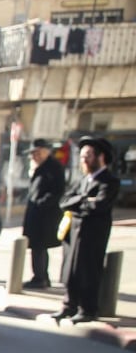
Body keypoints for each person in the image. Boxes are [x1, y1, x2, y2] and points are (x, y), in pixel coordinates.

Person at [56, 135, 118, 324]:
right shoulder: (83, 180)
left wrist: (81, 202)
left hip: (93, 235)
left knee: (88, 271)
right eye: (82, 156)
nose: (84, 160)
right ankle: (69, 306)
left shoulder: (109, 181)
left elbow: (99, 205)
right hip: (73, 233)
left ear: (100, 157)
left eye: (88, 156)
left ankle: (88, 309)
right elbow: (64, 202)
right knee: (71, 270)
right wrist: (83, 200)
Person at [21, 138, 66, 289]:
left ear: (46, 152)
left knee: (39, 246)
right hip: (37, 213)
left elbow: (57, 191)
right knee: (37, 247)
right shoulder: (40, 167)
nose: (35, 156)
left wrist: (41, 204)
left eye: (38, 153)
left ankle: (40, 277)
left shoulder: (53, 167)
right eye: (33, 154)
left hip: (45, 215)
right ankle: (41, 276)